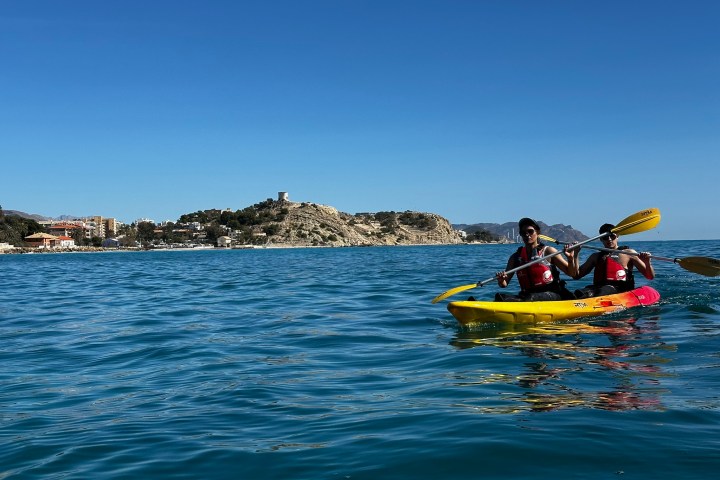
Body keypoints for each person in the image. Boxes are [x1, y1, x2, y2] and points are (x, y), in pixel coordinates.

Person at [494, 217, 578, 301]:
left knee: (531, 297)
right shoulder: (515, 257)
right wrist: (501, 280)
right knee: (500, 298)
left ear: (538, 232)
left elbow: (572, 273)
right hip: (528, 296)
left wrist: (571, 259)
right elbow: (504, 284)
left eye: (530, 231)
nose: (527, 234)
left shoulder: (548, 251)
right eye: (523, 233)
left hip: (553, 294)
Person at [571, 223, 655, 298]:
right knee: (580, 293)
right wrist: (576, 254)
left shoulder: (629, 253)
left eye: (612, 236)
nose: (609, 239)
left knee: (604, 290)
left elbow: (650, 276)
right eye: (605, 237)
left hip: (620, 290)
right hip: (598, 288)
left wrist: (647, 263)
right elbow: (577, 275)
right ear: (601, 239)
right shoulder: (595, 256)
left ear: (617, 236)